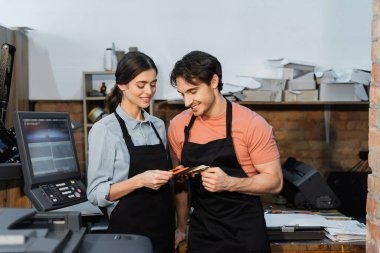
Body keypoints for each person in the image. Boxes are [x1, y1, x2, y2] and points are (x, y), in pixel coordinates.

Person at [168, 51, 283, 253]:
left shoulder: (251, 124)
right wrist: (181, 228)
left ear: (214, 81)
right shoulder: (178, 127)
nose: (187, 102)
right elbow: (181, 184)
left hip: (245, 235)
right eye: (182, 94)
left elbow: (275, 182)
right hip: (202, 234)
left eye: (193, 91)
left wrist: (228, 182)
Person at [86, 51, 176, 253]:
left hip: (163, 232)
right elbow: (95, 193)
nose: (149, 91)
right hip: (127, 237)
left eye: (153, 84)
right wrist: (139, 180)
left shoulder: (158, 126)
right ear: (122, 85)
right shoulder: (105, 129)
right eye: (141, 85)